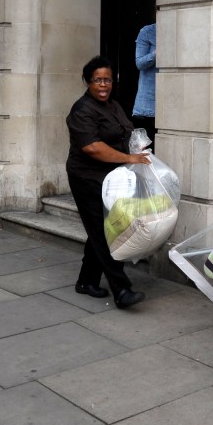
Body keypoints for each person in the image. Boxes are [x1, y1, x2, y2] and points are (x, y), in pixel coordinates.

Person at [66, 56, 150, 309]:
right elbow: (93, 148)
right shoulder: (81, 111)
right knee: (104, 232)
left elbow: (126, 133)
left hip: (114, 177)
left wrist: (140, 152)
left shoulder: (113, 106)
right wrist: (128, 157)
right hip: (87, 177)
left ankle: (85, 281)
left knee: (100, 229)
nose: (104, 85)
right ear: (88, 82)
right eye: (98, 80)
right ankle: (121, 290)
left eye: (107, 80)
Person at [132, 23, 156, 143]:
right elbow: (139, 63)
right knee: (146, 153)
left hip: (171, 103)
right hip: (147, 104)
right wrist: (155, 54)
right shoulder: (148, 31)